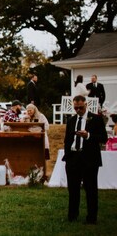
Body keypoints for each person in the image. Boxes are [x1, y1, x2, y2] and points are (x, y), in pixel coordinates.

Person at [63, 95, 108, 224]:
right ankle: (72, 216)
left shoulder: (96, 119)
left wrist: (88, 135)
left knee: (91, 190)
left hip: (89, 159)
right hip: (73, 158)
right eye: (76, 108)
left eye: (80, 108)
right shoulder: (71, 120)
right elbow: (67, 140)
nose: (78, 110)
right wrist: (68, 156)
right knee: (73, 189)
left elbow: (103, 138)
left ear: (86, 105)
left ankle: (91, 217)